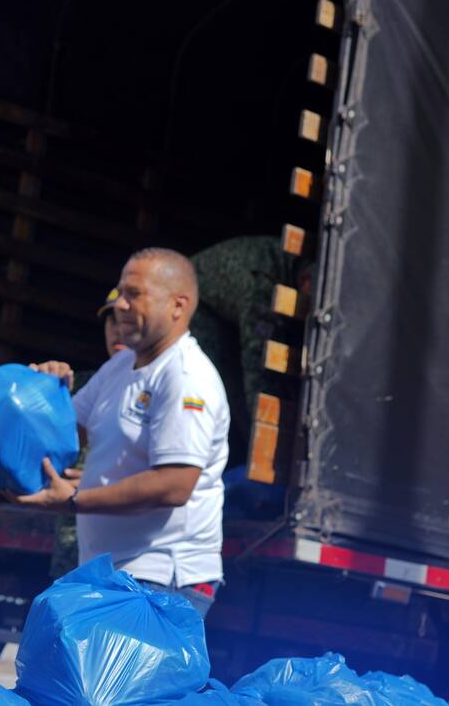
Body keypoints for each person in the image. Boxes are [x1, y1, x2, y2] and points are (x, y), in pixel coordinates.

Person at [21, 248, 230, 619]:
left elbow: (174, 485)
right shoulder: (120, 365)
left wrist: (75, 499)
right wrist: (38, 390)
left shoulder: (185, 376)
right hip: (111, 573)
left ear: (177, 306)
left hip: (161, 582)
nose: (120, 305)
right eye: (120, 293)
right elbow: (66, 433)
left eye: (135, 294)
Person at [189, 235, 303, 460]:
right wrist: (265, 443)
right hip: (199, 311)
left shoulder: (289, 267)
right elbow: (257, 366)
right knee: (227, 394)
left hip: (223, 312)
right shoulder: (264, 283)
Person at [48, 286, 128, 578]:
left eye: (124, 319)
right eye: (111, 320)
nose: (118, 330)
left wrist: (103, 483)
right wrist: (44, 385)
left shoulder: (157, 386)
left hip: (124, 554)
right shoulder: (80, 387)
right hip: (72, 545)